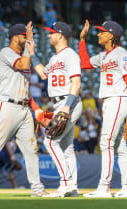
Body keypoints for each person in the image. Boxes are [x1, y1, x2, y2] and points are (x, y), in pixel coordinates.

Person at [0, 22, 47, 197]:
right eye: (25, 36)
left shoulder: (25, 56)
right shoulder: (6, 52)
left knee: (31, 148)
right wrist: (30, 48)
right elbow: (21, 65)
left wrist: (36, 109)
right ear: (15, 37)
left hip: (24, 107)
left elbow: (27, 89)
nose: (29, 39)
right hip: (7, 106)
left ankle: (37, 189)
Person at [79, 20, 127, 198]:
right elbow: (85, 64)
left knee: (106, 142)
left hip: (119, 99)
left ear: (111, 35)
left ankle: (104, 187)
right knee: (120, 146)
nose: (98, 34)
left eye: (102, 32)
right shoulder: (104, 55)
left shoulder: (122, 54)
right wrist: (82, 40)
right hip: (110, 101)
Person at [31, 22, 82, 197]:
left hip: (69, 103)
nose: (49, 35)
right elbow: (43, 74)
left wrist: (67, 107)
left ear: (60, 35)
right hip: (59, 103)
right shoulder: (54, 58)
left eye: (52, 33)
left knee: (50, 142)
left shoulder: (70, 55)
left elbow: (76, 83)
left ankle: (66, 183)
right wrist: (32, 55)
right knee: (66, 147)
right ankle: (72, 187)